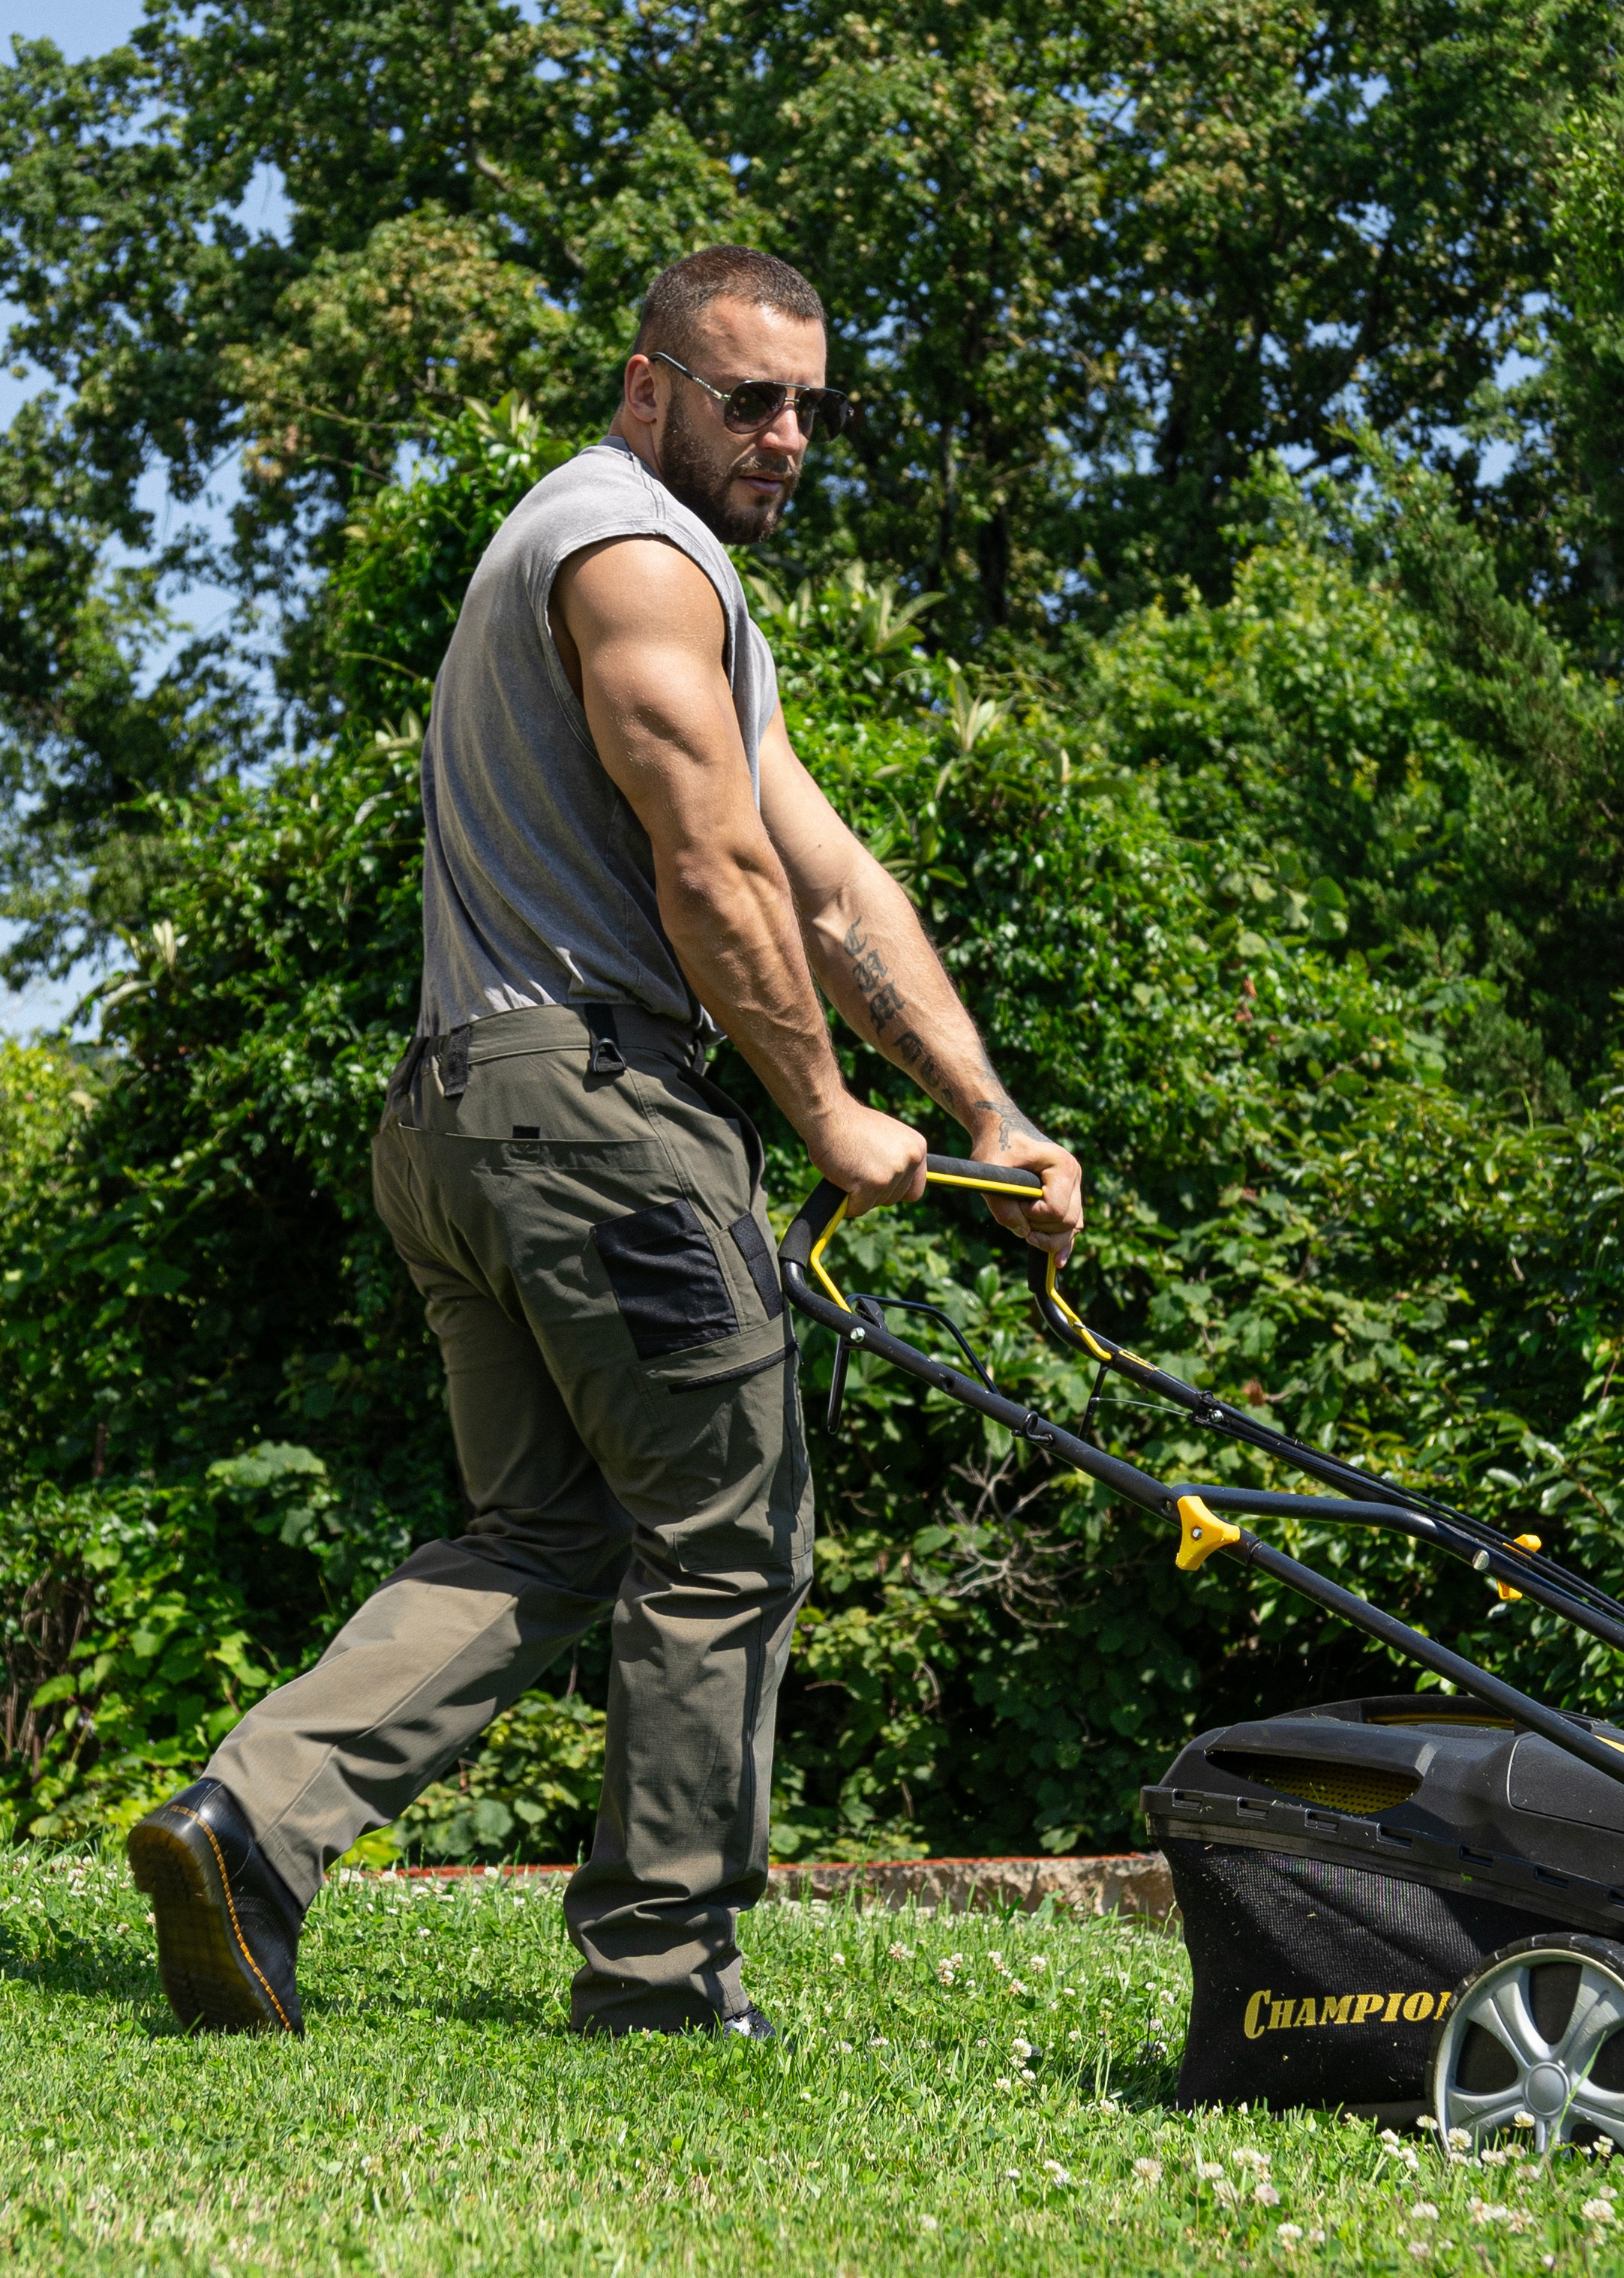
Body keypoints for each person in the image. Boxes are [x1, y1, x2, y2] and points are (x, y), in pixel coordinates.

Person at [128, 245, 1083, 2039]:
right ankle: (658, 1981)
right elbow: (711, 874)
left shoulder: (678, 581)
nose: (785, 435)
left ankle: (243, 1827)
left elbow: (829, 880)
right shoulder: (627, 551)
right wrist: (821, 1114)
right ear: (647, 388)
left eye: (809, 404)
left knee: (543, 1533)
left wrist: (984, 1112)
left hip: (461, 1120)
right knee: (729, 1538)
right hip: (598, 1119)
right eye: (748, 399)